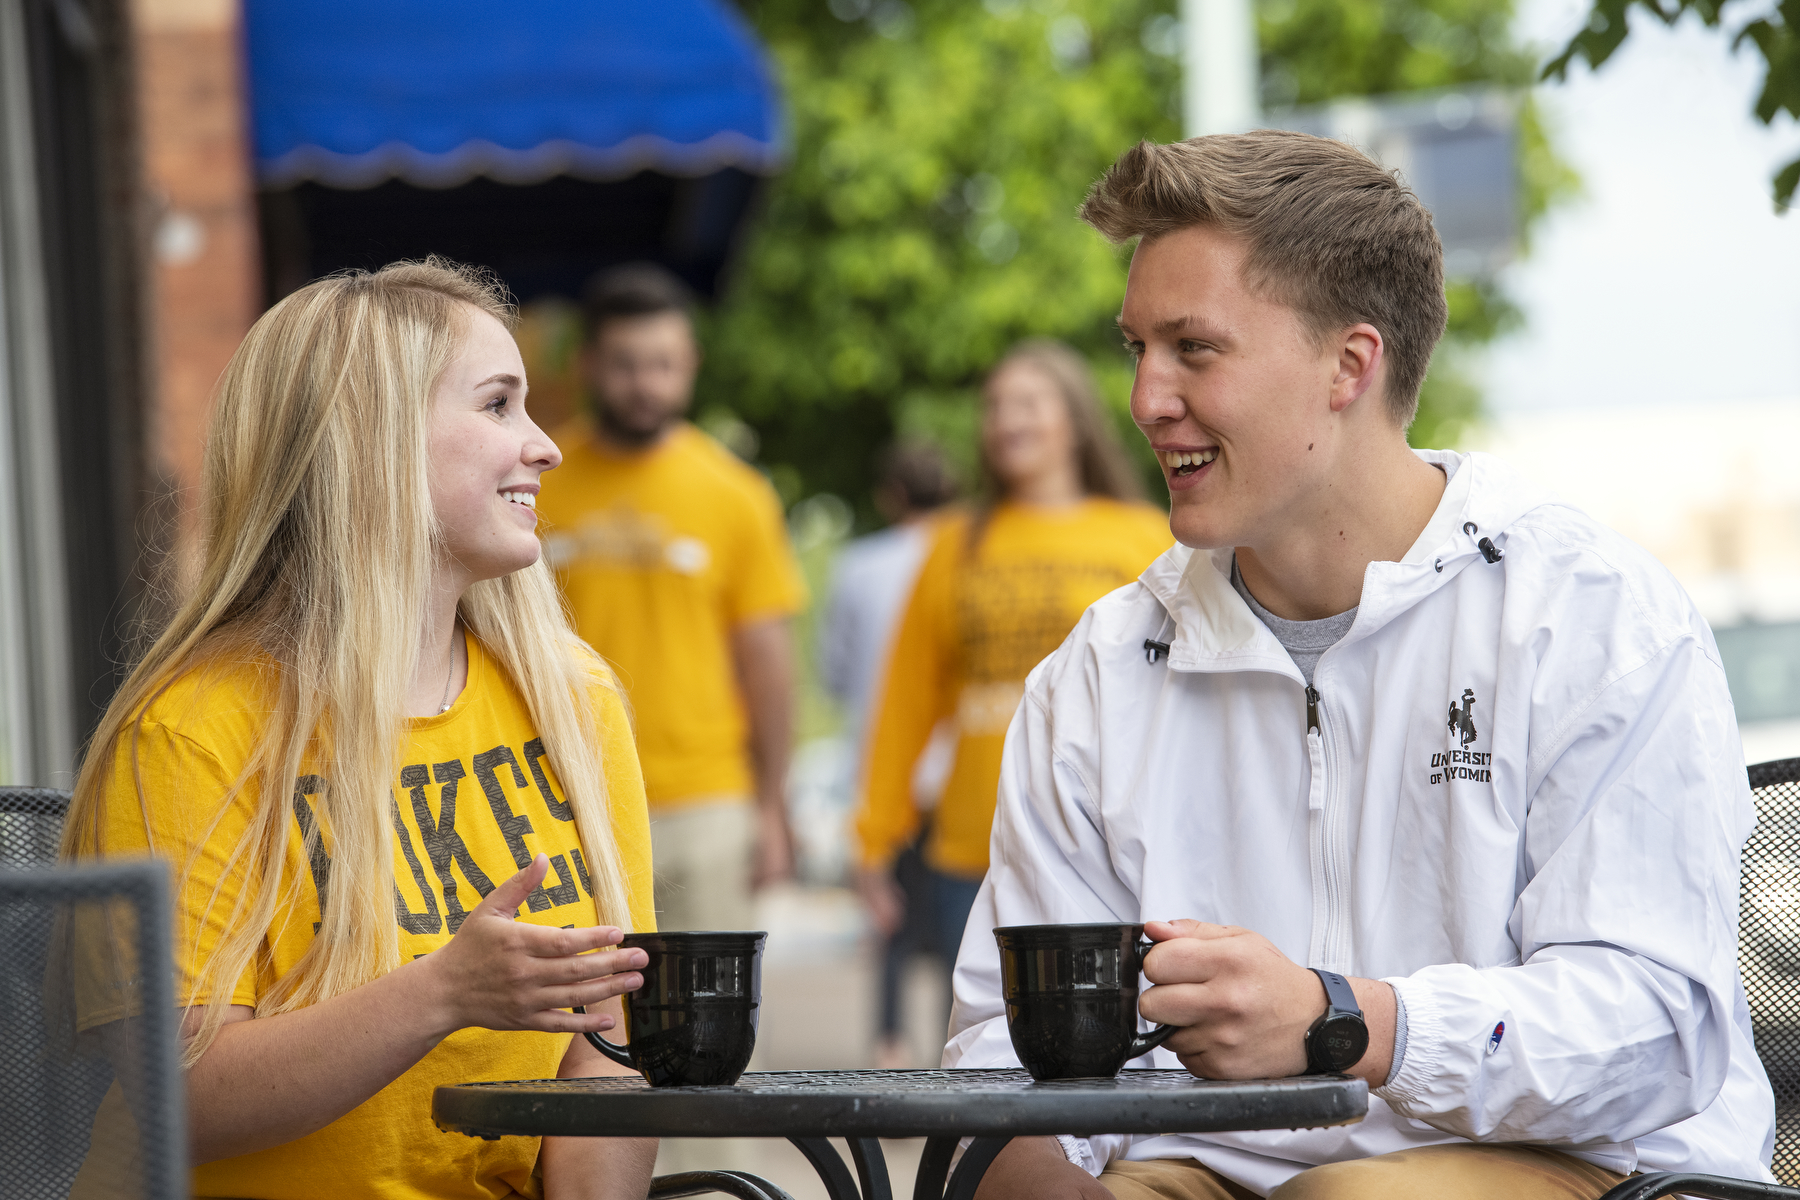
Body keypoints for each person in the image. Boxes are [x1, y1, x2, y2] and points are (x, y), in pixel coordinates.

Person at [946, 133, 1775, 1200]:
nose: (1148, 398)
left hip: (1599, 1169)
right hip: (1206, 1166)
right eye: (1137, 348)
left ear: (1351, 364)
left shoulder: (1589, 614)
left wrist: (1347, 1020)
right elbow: (999, 1048)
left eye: (1195, 349)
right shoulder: (1100, 669)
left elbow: (1656, 1030)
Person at [61, 259, 658, 1199]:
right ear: (372, 439)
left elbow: (609, 1050)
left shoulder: (572, 699)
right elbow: (174, 1096)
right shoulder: (192, 729)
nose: (544, 446)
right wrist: (443, 992)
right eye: (498, 405)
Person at [856, 341, 1171, 985]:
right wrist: (872, 838)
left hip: (1107, 844)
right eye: (994, 406)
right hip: (974, 847)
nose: (1006, 420)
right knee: (978, 1058)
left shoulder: (1144, 536)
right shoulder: (952, 543)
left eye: (1028, 403)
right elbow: (906, 699)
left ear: (1076, 420)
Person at [538, 263, 807, 932]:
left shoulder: (736, 493)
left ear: (690, 363)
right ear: (590, 365)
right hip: (568, 795)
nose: (644, 384)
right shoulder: (540, 483)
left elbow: (767, 662)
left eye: (663, 363)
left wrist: (772, 806)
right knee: (581, 1025)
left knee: (709, 1030)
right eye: (626, 364)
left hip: (705, 803)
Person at [819, 440, 960, 1068]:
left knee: (891, 917)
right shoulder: (968, 558)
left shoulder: (859, 566)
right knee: (964, 914)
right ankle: (955, 1045)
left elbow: (835, 674)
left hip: (884, 764)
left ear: (889, 496)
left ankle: (889, 1043)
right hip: (958, 766)